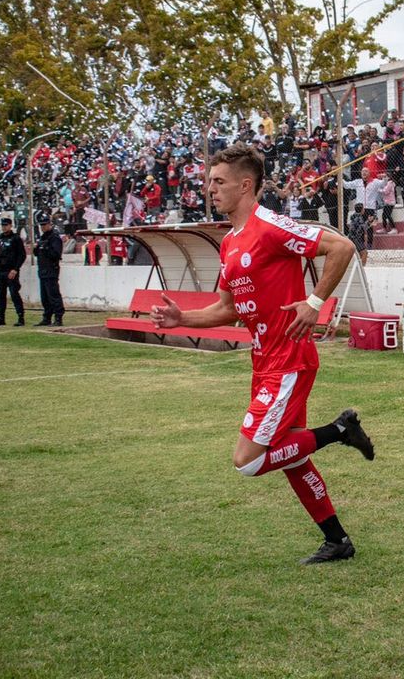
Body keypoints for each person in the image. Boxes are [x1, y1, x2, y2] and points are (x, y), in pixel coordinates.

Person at [149, 145, 373, 563]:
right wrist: (180, 318)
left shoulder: (270, 226)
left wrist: (314, 301)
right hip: (264, 361)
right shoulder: (230, 242)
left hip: (289, 359)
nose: (210, 189)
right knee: (291, 455)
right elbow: (226, 308)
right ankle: (337, 541)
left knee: (248, 461)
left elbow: (341, 247)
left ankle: (340, 430)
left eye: (219, 182)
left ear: (245, 185)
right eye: (209, 181)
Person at [0, 216, 26, 327]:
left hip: (11, 270)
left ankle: (21, 317)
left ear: (11, 226)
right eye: (3, 225)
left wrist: (15, 269)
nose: (4, 227)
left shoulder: (16, 238)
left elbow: (22, 255)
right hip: (0, 269)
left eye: (6, 225)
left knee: (14, 294)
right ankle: (1, 317)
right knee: (1, 295)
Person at [32, 212, 65, 326]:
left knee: (53, 295)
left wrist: (44, 248)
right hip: (43, 270)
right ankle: (47, 317)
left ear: (50, 224)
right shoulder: (43, 237)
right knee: (45, 297)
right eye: (41, 225)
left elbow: (56, 254)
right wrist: (37, 248)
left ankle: (58, 317)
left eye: (45, 224)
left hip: (51, 270)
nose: (43, 227)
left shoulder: (54, 237)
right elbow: (36, 253)